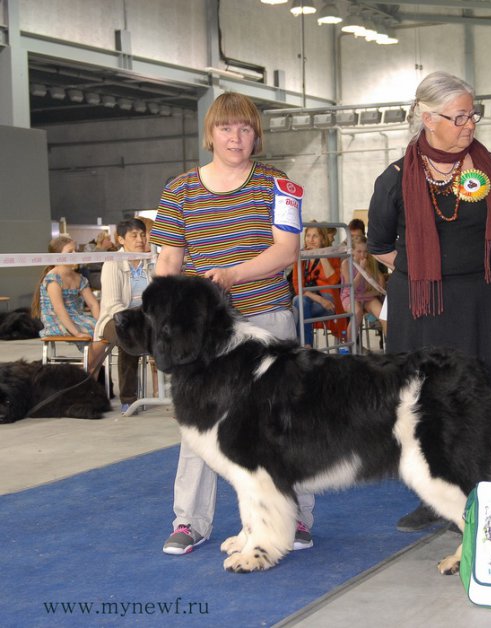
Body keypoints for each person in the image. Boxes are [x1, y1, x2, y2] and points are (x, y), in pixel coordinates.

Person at [149, 92, 315, 554]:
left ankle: (294, 517)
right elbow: (168, 260)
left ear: (256, 134)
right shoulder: (179, 190)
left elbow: (286, 251)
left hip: (266, 315)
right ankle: (191, 521)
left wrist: (231, 275)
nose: (236, 137)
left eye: (245, 128)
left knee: (281, 420)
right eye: (226, 128)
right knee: (198, 425)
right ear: (211, 134)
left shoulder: (278, 184)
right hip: (203, 333)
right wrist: (170, 310)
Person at [367, 71, 491, 531]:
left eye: (471, 115)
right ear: (426, 117)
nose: (468, 125)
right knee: (425, 401)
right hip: (423, 306)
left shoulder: (488, 168)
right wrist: (425, 274)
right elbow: (379, 245)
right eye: (457, 118)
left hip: (481, 301)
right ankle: (433, 496)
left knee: (487, 395)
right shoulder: (395, 178)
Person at [90, 218, 154, 413]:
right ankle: (128, 399)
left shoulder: (151, 260)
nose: (140, 239)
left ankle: (172, 393)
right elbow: (112, 305)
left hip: (146, 318)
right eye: (134, 235)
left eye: (142, 235)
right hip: (116, 318)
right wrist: (137, 321)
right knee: (128, 338)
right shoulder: (112, 264)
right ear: (121, 240)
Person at [32, 235, 100, 340]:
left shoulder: (80, 278)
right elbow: (59, 309)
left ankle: (91, 357)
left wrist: (100, 323)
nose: (75, 254)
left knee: (106, 330)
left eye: (76, 251)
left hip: (78, 318)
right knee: (95, 331)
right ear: (57, 256)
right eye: (70, 252)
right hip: (56, 321)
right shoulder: (53, 279)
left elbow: (93, 304)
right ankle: (91, 356)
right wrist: (76, 333)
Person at [291, 222, 344, 347]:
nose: (311, 240)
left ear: (323, 238)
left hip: (329, 302)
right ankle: (307, 346)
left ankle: (302, 347)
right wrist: (319, 299)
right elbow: (297, 287)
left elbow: (333, 281)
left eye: (315, 236)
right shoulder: (300, 257)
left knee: (296, 311)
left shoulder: (331, 255)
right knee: (299, 303)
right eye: (308, 236)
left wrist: (322, 254)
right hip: (310, 300)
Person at [341, 235, 386, 337]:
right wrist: (361, 270)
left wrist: (367, 269)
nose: (363, 255)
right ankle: (351, 346)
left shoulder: (369, 264)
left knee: (383, 314)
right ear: (352, 251)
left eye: (365, 251)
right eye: (359, 251)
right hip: (350, 296)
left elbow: (378, 288)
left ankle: (391, 345)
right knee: (357, 313)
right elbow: (351, 287)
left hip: (366, 296)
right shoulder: (346, 263)